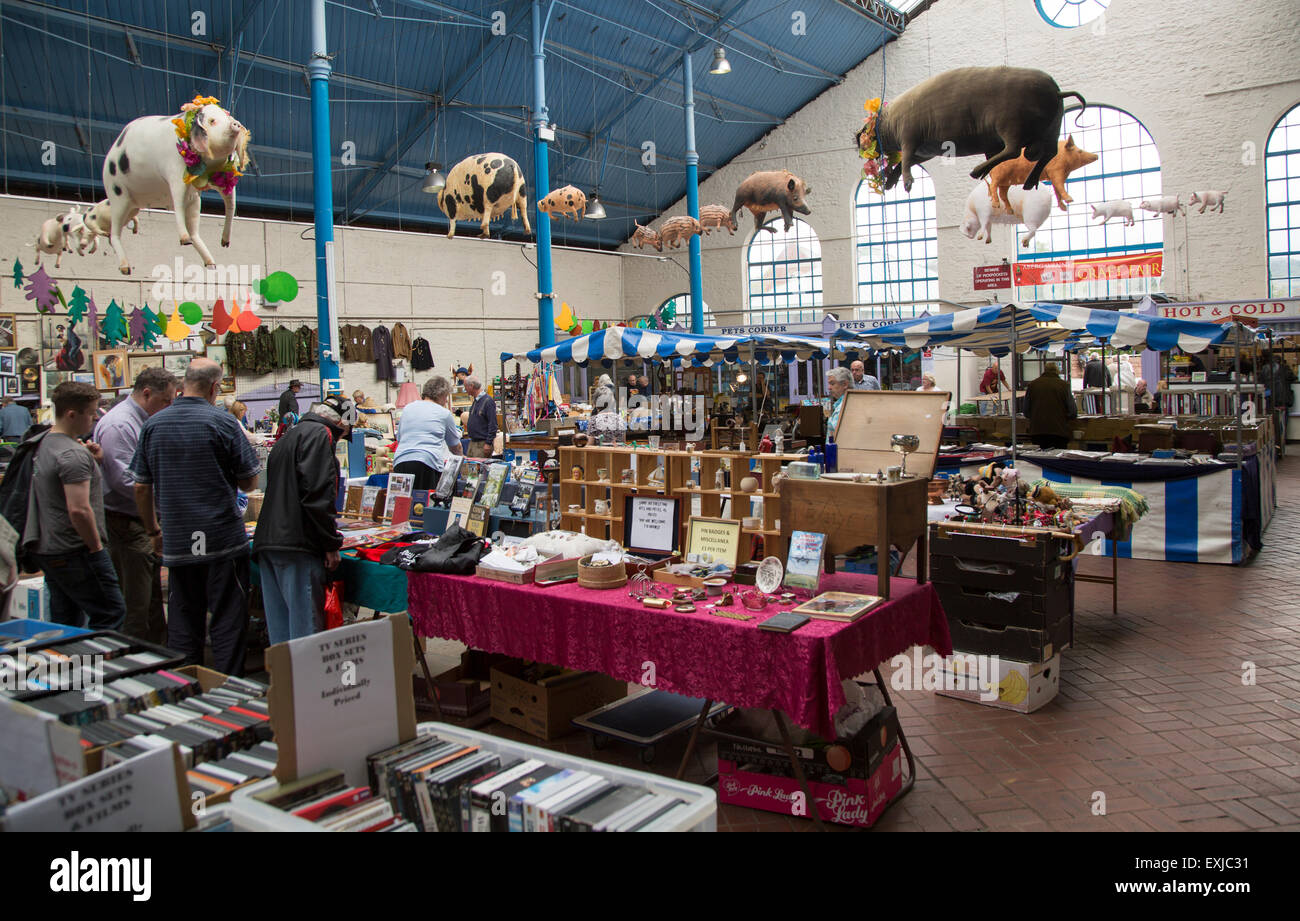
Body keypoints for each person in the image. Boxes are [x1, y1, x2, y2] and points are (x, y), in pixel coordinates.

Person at [131, 359, 260, 676]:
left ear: (182, 384)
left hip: (178, 538)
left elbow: (140, 487)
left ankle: (186, 684)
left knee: (183, 616)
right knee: (228, 617)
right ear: (215, 387)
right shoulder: (224, 423)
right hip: (221, 539)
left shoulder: (153, 425)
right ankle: (230, 687)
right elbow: (249, 482)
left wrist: (153, 530)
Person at [253, 396, 353, 645]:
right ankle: (306, 684)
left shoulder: (291, 434)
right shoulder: (321, 435)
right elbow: (317, 494)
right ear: (341, 423)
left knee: (282, 637)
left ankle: (286, 683)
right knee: (304, 636)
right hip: (296, 544)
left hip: (270, 542)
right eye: (345, 433)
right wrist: (330, 543)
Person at [26, 382, 126, 630]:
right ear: (72, 414)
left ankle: (71, 668)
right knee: (110, 614)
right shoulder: (72, 455)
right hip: (76, 550)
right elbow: (79, 510)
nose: (94, 419)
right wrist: (96, 548)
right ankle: (102, 668)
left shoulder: (43, 442)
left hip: (50, 547)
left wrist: (94, 461)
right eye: (91, 414)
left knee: (65, 621)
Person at [93, 367, 177, 644]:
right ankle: (132, 661)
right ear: (146, 393)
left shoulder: (143, 420)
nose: (169, 406)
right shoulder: (120, 424)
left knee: (152, 596)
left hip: (145, 519)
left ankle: (158, 656)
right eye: (166, 400)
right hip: (128, 523)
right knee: (135, 602)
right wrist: (169, 497)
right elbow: (127, 481)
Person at [392, 375, 463, 491]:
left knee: (402, 502)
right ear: (441, 395)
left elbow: (399, 439)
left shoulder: (408, 408)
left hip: (401, 461)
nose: (445, 401)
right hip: (426, 462)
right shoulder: (444, 413)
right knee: (424, 504)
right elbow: (455, 446)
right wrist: (461, 459)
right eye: (446, 397)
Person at [1024, 362, 1076, 450]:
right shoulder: (1064, 385)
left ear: (1044, 370)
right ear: (1057, 371)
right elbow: (1073, 412)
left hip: (1037, 431)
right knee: (1057, 461)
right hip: (1059, 431)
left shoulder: (1032, 385)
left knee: (1040, 460)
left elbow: (1026, 411)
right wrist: (1063, 417)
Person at [463, 375, 498, 458]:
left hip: (482, 444)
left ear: (471, 386)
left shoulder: (487, 401)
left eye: (466, 387)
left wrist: (488, 443)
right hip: (473, 443)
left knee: (480, 469)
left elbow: (493, 424)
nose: (465, 390)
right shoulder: (476, 401)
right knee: (471, 469)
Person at [825, 366, 852, 434]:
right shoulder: (840, 404)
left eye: (832, 384)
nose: (829, 388)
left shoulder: (847, 405)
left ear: (845, 384)